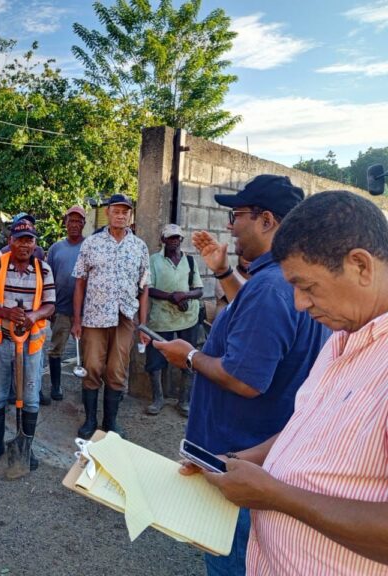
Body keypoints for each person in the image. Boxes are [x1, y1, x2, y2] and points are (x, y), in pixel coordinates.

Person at [191, 191, 388, 574]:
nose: (298, 303)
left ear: (360, 266)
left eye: (307, 286)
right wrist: (232, 461)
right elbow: (306, 429)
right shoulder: (344, 337)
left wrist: (276, 496)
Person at [153, 175, 330, 576]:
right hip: (255, 453)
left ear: (267, 220)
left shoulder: (271, 287)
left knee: (234, 564)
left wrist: (191, 356)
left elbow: (246, 379)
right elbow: (255, 321)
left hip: (240, 459)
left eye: (237, 215)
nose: (231, 225)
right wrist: (223, 272)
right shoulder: (280, 279)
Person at [0, 219, 55, 471]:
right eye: (19, 239)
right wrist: (6, 313)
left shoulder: (43, 270)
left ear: (34, 244)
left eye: (29, 239)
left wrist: (33, 316)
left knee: (31, 399)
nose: (24, 244)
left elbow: (50, 305)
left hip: (31, 346)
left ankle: (26, 447)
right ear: (10, 241)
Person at [71, 193, 150, 440]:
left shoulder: (139, 246)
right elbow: (80, 283)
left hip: (126, 316)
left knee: (117, 370)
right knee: (92, 366)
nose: (121, 215)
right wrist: (76, 320)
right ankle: (90, 420)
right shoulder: (92, 244)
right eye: (116, 210)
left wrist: (143, 325)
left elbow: (144, 287)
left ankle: (110, 421)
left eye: (126, 211)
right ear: (107, 212)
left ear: (130, 215)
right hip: (95, 316)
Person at [144, 223, 203, 417]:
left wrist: (184, 296)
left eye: (177, 238)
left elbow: (199, 290)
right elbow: (148, 288)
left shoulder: (190, 261)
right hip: (161, 319)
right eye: (170, 238)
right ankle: (158, 399)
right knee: (156, 359)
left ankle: (183, 400)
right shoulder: (154, 260)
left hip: (188, 318)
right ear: (163, 240)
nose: (174, 241)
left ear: (181, 240)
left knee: (189, 358)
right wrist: (171, 297)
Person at [44, 205, 86, 404]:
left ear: (84, 224)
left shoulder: (90, 246)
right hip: (60, 308)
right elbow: (48, 278)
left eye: (79, 221)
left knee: (88, 350)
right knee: (56, 349)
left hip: (86, 311)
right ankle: (56, 385)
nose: (75, 225)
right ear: (65, 223)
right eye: (71, 221)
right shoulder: (55, 248)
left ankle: (87, 388)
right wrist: (49, 306)